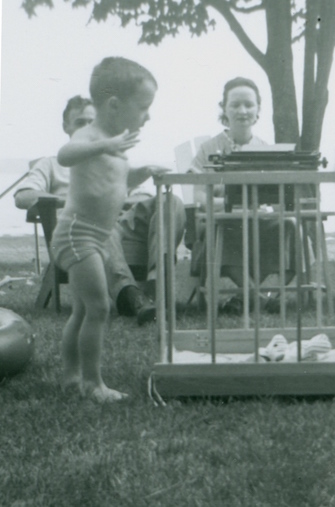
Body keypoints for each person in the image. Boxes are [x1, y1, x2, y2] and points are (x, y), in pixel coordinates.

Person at [14, 95, 185, 325]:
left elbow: (143, 196)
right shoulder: (53, 164)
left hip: (120, 228)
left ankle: (158, 287)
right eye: (80, 122)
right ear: (66, 127)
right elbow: (23, 197)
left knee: (170, 201)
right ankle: (130, 296)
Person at [51, 56, 164, 402]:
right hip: (76, 234)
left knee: (83, 310)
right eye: (143, 107)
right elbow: (65, 154)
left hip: (97, 238)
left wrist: (140, 172)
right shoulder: (92, 135)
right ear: (114, 105)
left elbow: (114, 183)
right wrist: (104, 146)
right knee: (100, 308)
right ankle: (92, 383)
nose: (148, 115)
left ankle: (71, 376)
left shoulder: (117, 142)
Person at [188, 77, 291, 311]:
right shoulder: (208, 149)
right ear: (224, 109)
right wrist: (230, 206)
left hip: (258, 222)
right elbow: (199, 197)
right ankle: (259, 298)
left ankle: (250, 296)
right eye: (234, 105)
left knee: (291, 226)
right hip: (220, 221)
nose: (242, 111)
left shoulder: (266, 150)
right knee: (228, 226)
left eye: (249, 104)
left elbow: (274, 198)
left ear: (258, 110)